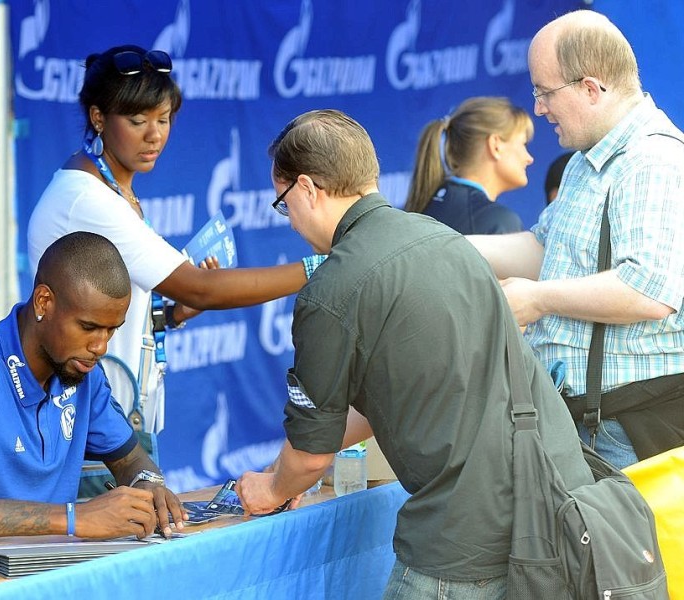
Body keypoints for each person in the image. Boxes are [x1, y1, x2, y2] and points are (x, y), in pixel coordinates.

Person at [235, 109, 593, 598]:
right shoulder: (448, 242)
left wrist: (273, 487)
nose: (291, 221)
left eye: (284, 205)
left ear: (306, 189)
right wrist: (291, 467)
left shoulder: (332, 288)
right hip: (557, 502)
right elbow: (386, 400)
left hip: (463, 540)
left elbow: (312, 455)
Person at [27, 46, 314, 396]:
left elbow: (119, 307)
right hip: (89, 420)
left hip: (116, 411)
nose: (154, 135)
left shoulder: (109, 187)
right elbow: (201, 287)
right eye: (137, 121)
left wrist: (175, 314)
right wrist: (319, 267)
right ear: (98, 118)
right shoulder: (88, 199)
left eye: (163, 119)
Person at [467, 10, 684, 468]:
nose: (539, 108)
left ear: (591, 87)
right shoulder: (588, 162)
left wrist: (539, 300)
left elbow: (648, 289)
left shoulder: (652, 160)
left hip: (630, 431)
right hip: (595, 425)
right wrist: (439, 245)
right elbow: (541, 250)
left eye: (545, 92)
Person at [0, 232, 187, 554]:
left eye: (112, 330)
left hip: (36, 577)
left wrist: (147, 485)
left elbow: (131, 457)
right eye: (88, 327)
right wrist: (73, 519)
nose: (100, 347)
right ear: (44, 302)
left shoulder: (84, 373)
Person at [403, 96, 534, 234]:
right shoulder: (498, 220)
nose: (529, 158)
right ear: (495, 146)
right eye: (523, 144)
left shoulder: (425, 207)